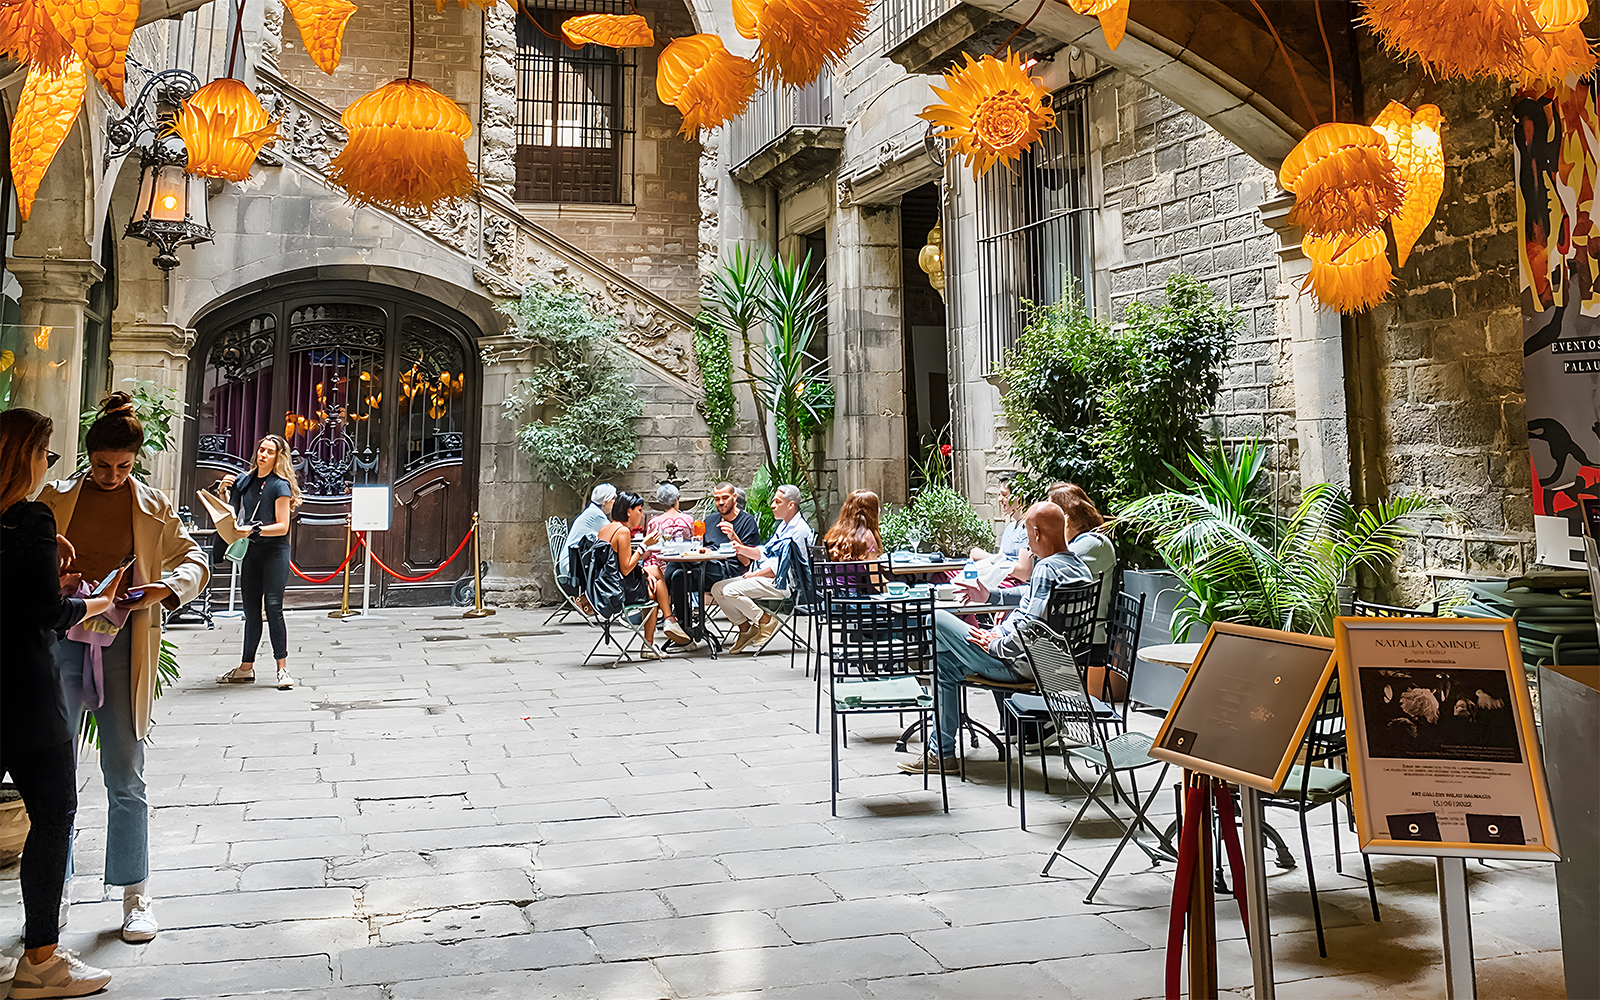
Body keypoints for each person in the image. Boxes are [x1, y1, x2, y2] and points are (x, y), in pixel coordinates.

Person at [42, 391, 210, 945]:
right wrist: (56, 580)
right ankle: (54, 890)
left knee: (125, 769)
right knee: (53, 773)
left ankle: (136, 893)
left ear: (136, 459)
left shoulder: (153, 504)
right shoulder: (53, 499)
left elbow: (193, 558)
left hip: (123, 644)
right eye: (103, 465)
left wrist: (164, 586)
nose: (113, 475)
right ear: (88, 456)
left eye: (123, 466)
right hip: (60, 641)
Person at [0, 408, 120, 997]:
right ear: (25, 460)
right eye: (45, 456)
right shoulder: (30, 518)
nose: (49, 466)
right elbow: (42, 615)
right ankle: (41, 960)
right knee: (53, 813)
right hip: (22, 690)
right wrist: (95, 604)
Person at [901, 502, 1090, 774]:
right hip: (1050, 664)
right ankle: (940, 753)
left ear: (1036, 533)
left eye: (1026, 534)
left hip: (1017, 663)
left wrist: (995, 644)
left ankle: (940, 753)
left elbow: (1031, 625)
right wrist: (989, 596)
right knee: (944, 664)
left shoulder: (1046, 569)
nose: (1026, 542)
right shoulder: (1076, 567)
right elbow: (1029, 596)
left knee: (936, 618)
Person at [215, 435, 303, 689]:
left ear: (278, 457)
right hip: (252, 552)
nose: (263, 454)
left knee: (274, 606)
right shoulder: (245, 481)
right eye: (261, 450)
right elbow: (230, 515)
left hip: (275, 552)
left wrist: (252, 531)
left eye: (269, 452)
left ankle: (282, 669)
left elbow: (282, 526)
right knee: (251, 611)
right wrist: (223, 491)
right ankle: (246, 668)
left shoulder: (280, 485)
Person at [712, 483, 814, 654]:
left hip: (785, 584)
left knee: (730, 590)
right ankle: (745, 628)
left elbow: (785, 567)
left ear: (791, 505)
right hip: (769, 578)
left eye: (777, 502)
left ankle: (764, 620)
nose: (772, 505)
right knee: (717, 589)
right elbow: (765, 552)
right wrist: (739, 547)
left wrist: (755, 574)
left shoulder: (799, 530)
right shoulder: (783, 526)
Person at [661, 481, 760, 646]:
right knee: (678, 575)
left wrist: (733, 537)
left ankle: (667, 613)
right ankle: (685, 631)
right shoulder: (711, 519)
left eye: (725, 498)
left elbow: (746, 561)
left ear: (734, 498)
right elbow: (700, 546)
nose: (721, 502)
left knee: (675, 569)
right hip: (704, 568)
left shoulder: (747, 521)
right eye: (717, 498)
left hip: (727, 571)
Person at [594, 491, 672, 659]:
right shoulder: (622, 532)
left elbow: (615, 563)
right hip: (617, 590)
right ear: (629, 511)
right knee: (653, 591)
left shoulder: (605, 528)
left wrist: (644, 572)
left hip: (604, 585)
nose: (641, 514)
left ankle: (668, 619)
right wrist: (644, 545)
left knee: (654, 571)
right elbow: (626, 568)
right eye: (639, 510)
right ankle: (655, 638)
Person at [642, 482, 693, 645]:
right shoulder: (687, 520)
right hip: (678, 569)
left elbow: (648, 550)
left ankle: (667, 617)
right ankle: (677, 621)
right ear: (677, 500)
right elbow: (693, 545)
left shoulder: (653, 523)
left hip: (657, 574)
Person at [964, 474, 1028, 589]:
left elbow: (1025, 573)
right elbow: (1000, 562)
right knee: (941, 576)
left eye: (1004, 495)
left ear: (1018, 497)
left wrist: (986, 557)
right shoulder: (1010, 527)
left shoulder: (1027, 529)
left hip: (1012, 585)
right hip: (999, 578)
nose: (999, 499)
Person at [822, 489, 883, 561]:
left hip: (836, 572)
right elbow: (873, 569)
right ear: (870, 512)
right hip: (861, 572)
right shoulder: (867, 537)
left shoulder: (834, 534)